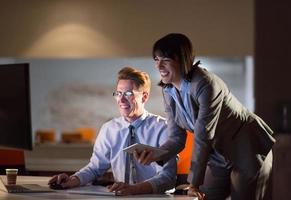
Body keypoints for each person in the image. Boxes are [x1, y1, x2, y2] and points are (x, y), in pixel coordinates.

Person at [135, 33, 275, 200]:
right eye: (156, 60)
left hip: (246, 147)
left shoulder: (205, 83)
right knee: (204, 197)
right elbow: (176, 138)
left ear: (182, 59)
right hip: (218, 153)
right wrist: (156, 154)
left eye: (165, 59)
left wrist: (193, 183)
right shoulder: (169, 91)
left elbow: (203, 135)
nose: (159, 66)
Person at [48, 66, 177, 195]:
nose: (121, 100)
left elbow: (168, 177)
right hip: (120, 196)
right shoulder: (109, 129)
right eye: (118, 93)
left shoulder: (163, 128)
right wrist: (73, 179)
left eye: (128, 93)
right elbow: (95, 168)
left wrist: (135, 189)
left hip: (154, 198)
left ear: (144, 97)